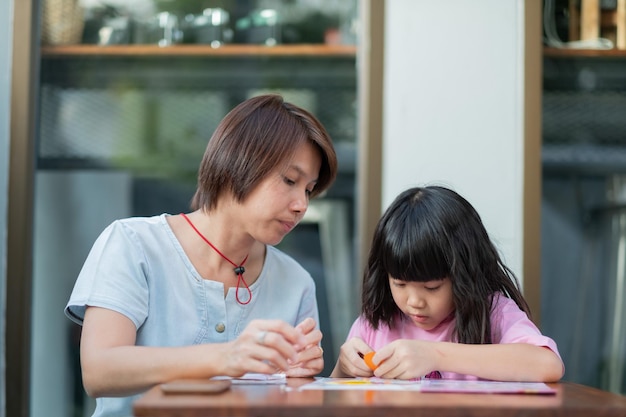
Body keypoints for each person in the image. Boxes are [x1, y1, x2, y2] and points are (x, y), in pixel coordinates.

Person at [65, 94, 337, 416]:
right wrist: (226, 356)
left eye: (308, 189)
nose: (302, 205)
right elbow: (99, 371)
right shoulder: (133, 244)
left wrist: (300, 378)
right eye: (290, 180)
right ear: (239, 161)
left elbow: (293, 403)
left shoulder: (296, 282)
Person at [331, 185, 564, 382]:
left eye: (432, 287)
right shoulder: (376, 322)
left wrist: (435, 355)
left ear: (463, 276)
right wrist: (343, 367)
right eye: (400, 284)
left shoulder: (494, 314)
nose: (414, 302)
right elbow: (332, 397)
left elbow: (548, 365)